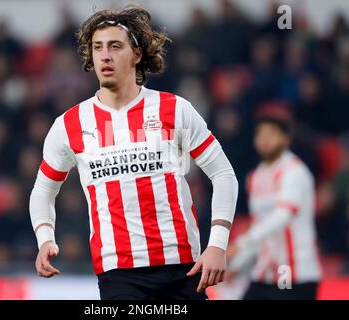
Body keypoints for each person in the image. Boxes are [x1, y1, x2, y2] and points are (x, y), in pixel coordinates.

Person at [29, 6, 238, 300]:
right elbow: (43, 189)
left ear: (136, 55)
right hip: (119, 273)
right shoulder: (69, 124)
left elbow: (223, 173)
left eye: (115, 46)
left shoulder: (174, 109)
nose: (105, 55)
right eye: (97, 47)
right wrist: (45, 238)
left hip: (183, 268)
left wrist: (217, 243)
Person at [228, 114, 322, 299]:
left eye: (271, 134)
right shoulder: (255, 177)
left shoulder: (295, 172)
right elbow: (260, 226)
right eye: (260, 135)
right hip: (265, 272)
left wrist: (240, 243)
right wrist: (238, 265)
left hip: (295, 273)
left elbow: (283, 216)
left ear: (285, 139)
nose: (264, 140)